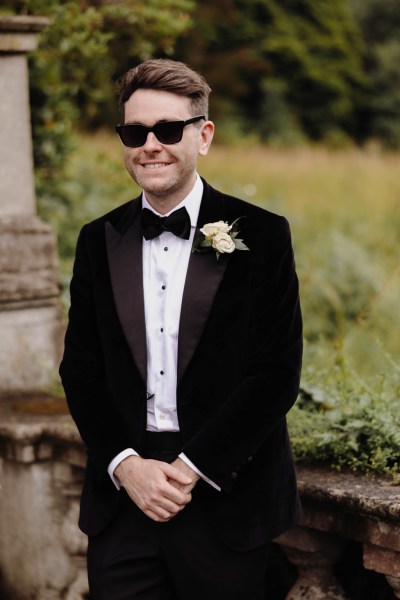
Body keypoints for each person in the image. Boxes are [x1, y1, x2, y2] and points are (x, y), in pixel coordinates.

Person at [59, 58, 303, 600]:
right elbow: (81, 369)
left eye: (168, 129)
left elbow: (275, 373)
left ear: (204, 135)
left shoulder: (263, 235)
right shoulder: (96, 240)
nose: (151, 145)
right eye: (134, 131)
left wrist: (190, 469)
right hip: (124, 505)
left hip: (225, 498)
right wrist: (125, 466)